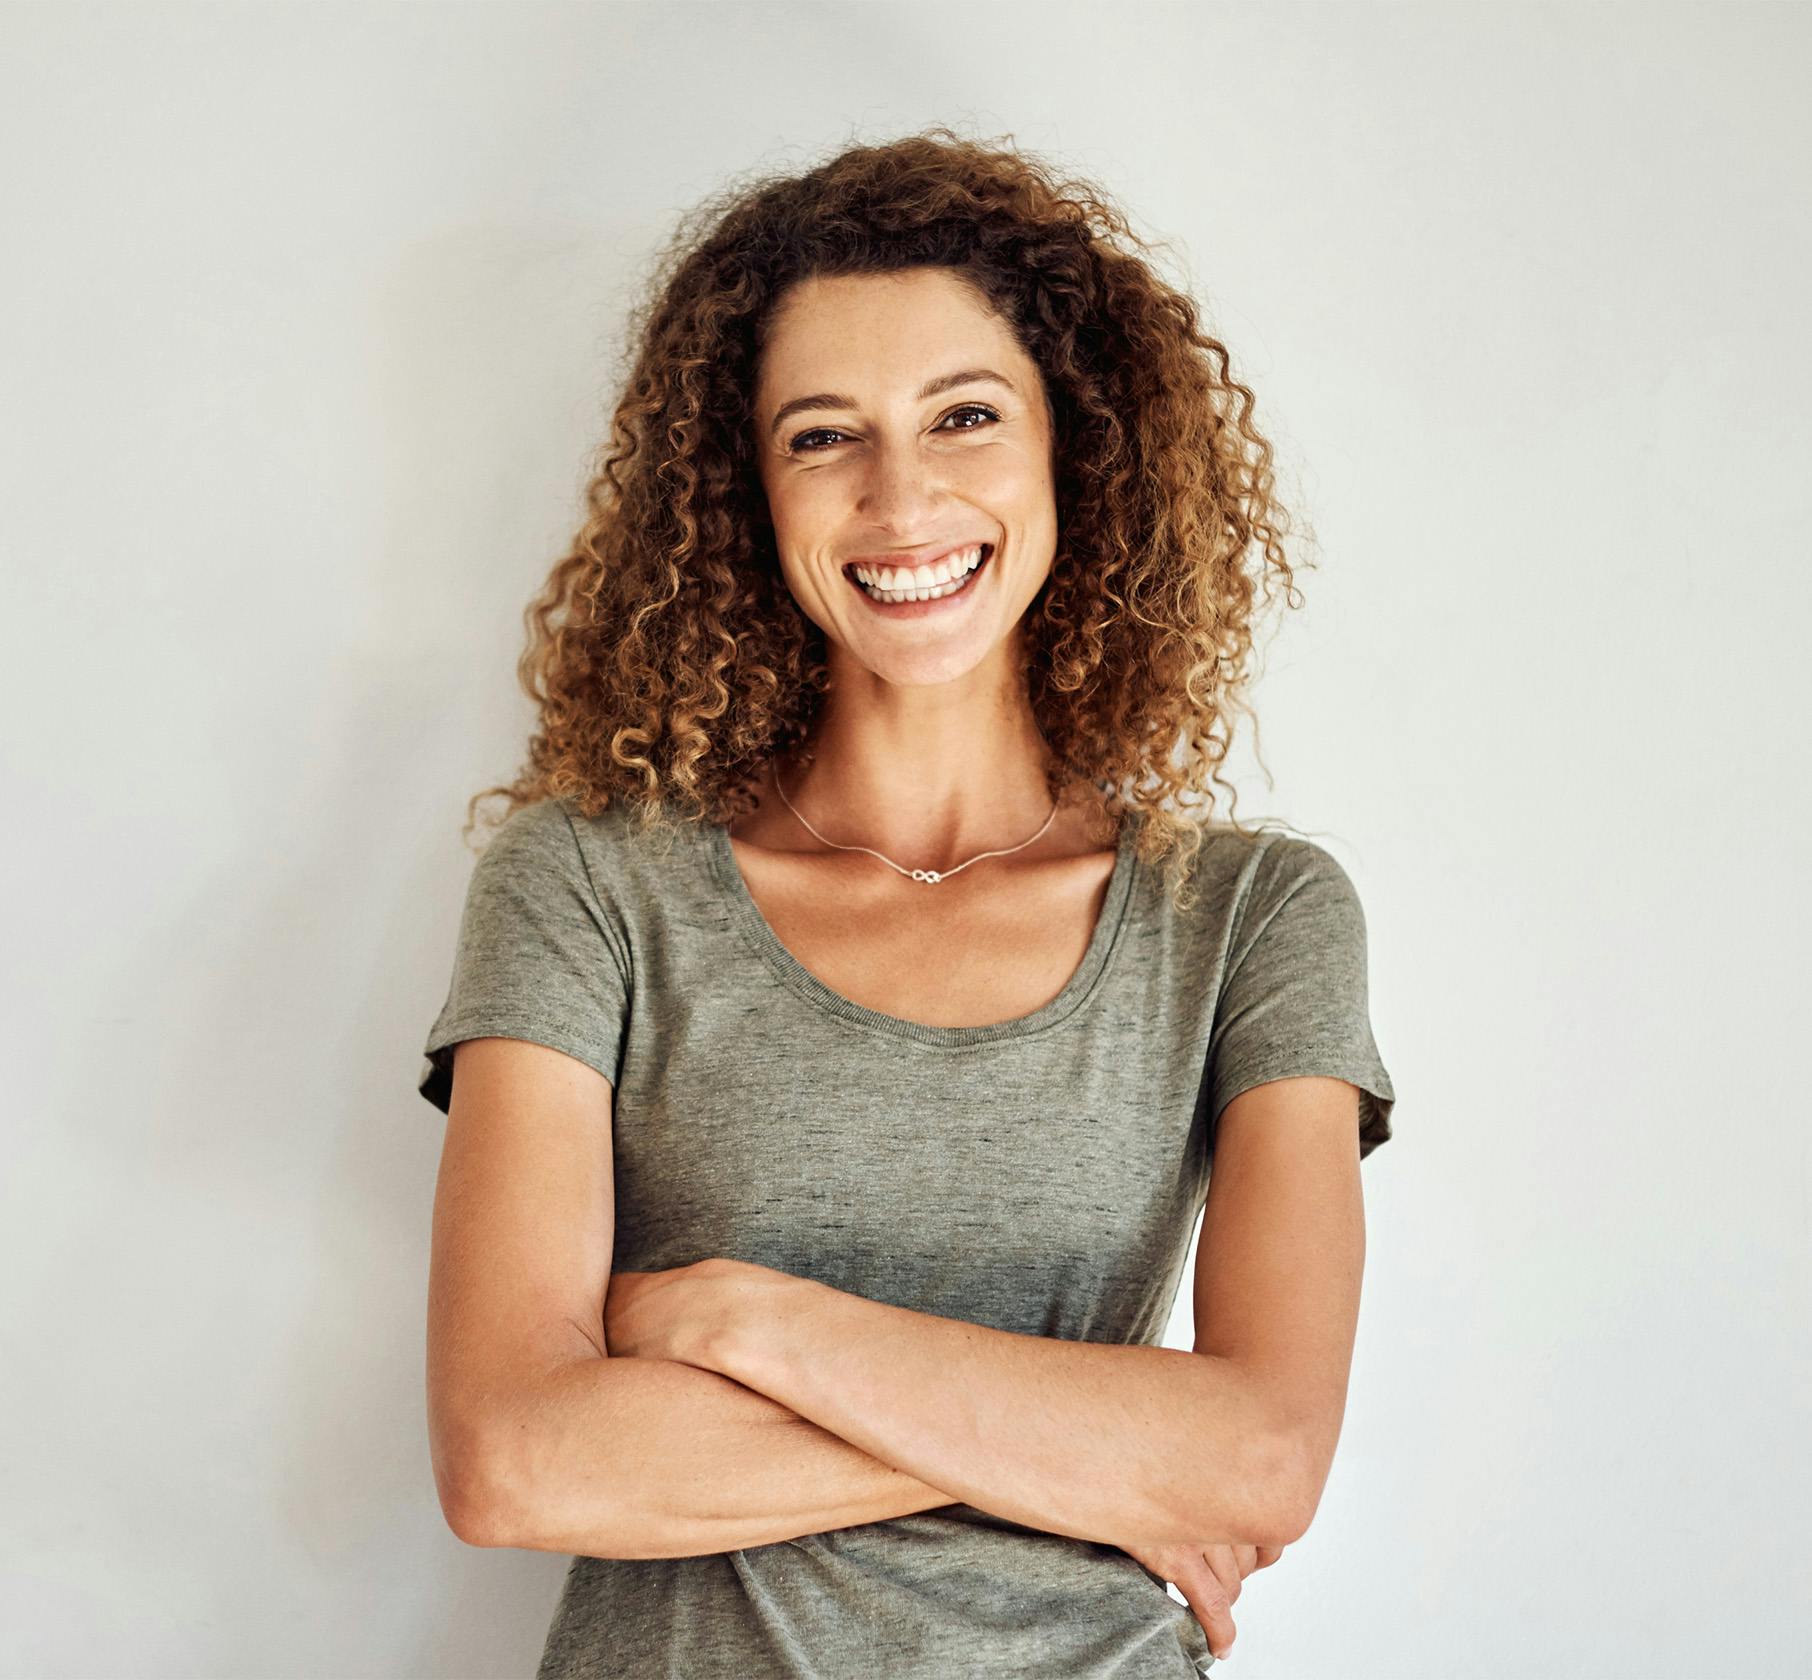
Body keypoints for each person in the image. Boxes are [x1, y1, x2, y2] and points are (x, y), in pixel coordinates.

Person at [416, 127, 1396, 1679]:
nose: (901, 495)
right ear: (746, 491)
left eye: (964, 415)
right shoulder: (591, 882)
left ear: (1073, 444)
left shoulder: (1251, 919)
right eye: (822, 435)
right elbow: (518, 1463)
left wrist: (744, 1322)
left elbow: (1264, 1460)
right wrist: (1101, 1442)